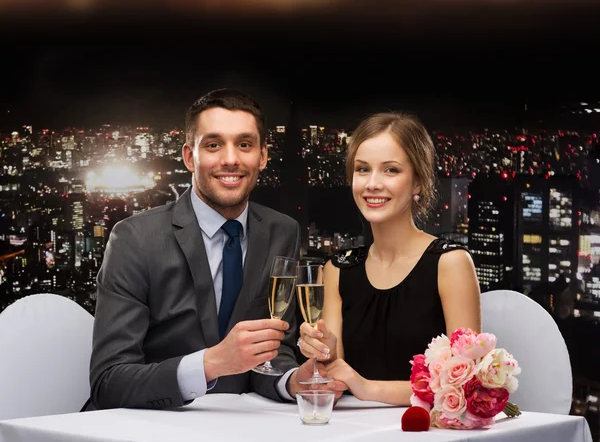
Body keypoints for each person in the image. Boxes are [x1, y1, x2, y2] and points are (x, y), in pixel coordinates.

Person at [90, 88, 327, 409]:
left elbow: (275, 349)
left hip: (243, 427)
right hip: (152, 429)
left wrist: (291, 381)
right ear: (190, 156)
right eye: (214, 145)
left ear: (263, 156)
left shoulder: (282, 230)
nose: (230, 159)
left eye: (244, 144)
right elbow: (109, 381)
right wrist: (210, 364)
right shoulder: (134, 238)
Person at [297, 111, 481, 405]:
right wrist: (324, 352)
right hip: (353, 436)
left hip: (427, 437)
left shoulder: (451, 263)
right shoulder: (337, 269)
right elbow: (335, 376)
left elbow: (464, 385)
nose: (372, 183)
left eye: (391, 170)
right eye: (362, 169)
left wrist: (366, 387)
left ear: (418, 183)